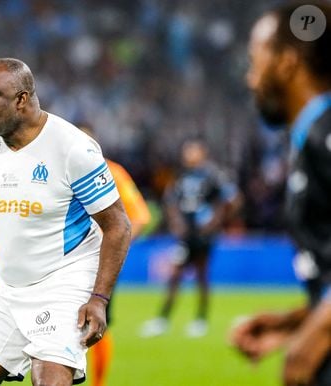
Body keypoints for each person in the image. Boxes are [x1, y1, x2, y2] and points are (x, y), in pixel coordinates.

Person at [0, 58, 131, 386]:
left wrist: (98, 300)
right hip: (8, 285)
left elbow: (118, 226)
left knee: (50, 380)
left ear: (21, 100)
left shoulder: (72, 149)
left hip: (64, 282)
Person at [230, 2, 331, 385]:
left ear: (288, 63)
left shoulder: (325, 134)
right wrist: (292, 324)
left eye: (257, 62)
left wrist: (306, 349)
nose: (251, 79)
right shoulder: (309, 138)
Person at [141, 139, 239, 338]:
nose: (188, 155)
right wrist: (176, 222)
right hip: (185, 235)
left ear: (202, 153)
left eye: (192, 151)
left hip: (204, 235)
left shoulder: (213, 175)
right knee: (175, 275)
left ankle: (200, 319)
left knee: (202, 276)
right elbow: (171, 201)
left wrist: (215, 222)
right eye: (186, 152)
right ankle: (163, 319)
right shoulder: (181, 175)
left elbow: (232, 200)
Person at [80, 125, 151, 386]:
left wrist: (114, 246)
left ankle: (98, 383)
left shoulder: (112, 173)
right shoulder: (56, 169)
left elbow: (141, 217)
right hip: (61, 261)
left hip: (98, 263)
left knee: (97, 322)